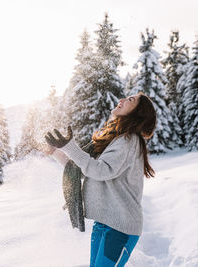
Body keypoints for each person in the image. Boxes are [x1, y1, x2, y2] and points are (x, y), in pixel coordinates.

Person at [44, 91, 157, 267]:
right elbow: (86, 169)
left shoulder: (129, 141)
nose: (122, 100)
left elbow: (101, 171)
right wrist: (59, 152)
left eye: (130, 100)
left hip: (121, 228)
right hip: (103, 223)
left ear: (138, 113)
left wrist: (71, 148)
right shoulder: (116, 138)